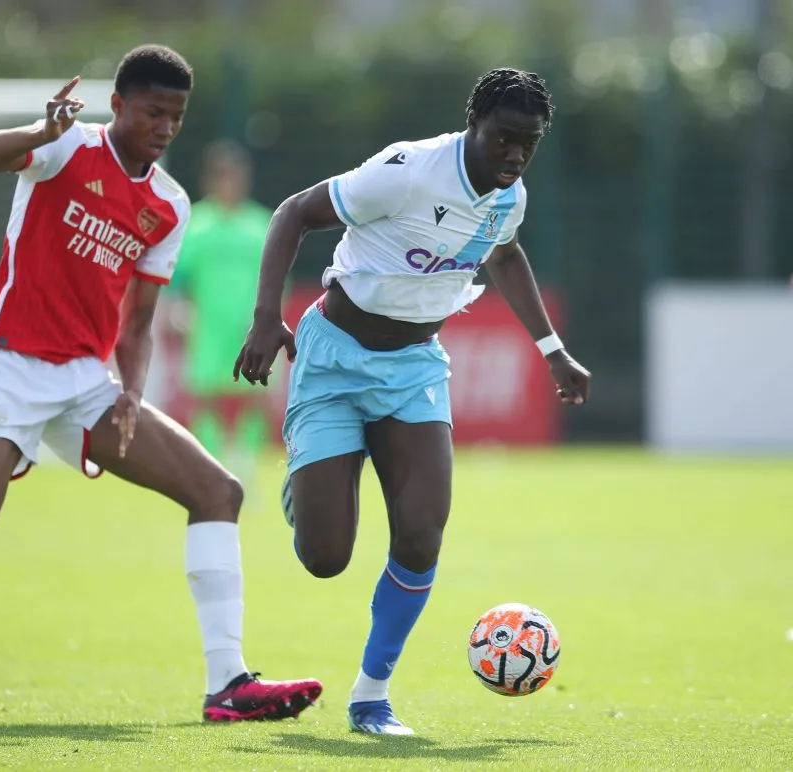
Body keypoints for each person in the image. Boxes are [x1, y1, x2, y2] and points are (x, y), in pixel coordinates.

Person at [0, 45, 321, 723]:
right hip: (10, 363)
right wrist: (37, 132)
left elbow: (138, 324)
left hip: (87, 380)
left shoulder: (168, 205)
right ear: (118, 106)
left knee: (217, 491)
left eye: (176, 115)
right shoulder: (65, 148)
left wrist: (132, 392)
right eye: (152, 111)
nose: (165, 126)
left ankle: (228, 684)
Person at [233, 68, 591, 735]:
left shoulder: (508, 196)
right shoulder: (406, 170)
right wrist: (264, 317)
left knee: (423, 532)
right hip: (334, 361)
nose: (515, 155)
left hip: (414, 369)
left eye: (529, 143)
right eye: (504, 139)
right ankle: (311, 485)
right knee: (325, 557)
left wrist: (552, 350)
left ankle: (371, 697)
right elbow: (293, 213)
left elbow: (505, 258)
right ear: (473, 125)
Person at [170, 141, 273, 482]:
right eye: (225, 176)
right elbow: (177, 275)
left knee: (256, 395)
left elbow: (275, 277)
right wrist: (177, 309)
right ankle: (212, 462)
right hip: (207, 325)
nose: (232, 183)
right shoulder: (196, 224)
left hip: (250, 326)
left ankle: (244, 460)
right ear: (212, 180)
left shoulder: (260, 223)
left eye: (238, 176)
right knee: (205, 396)